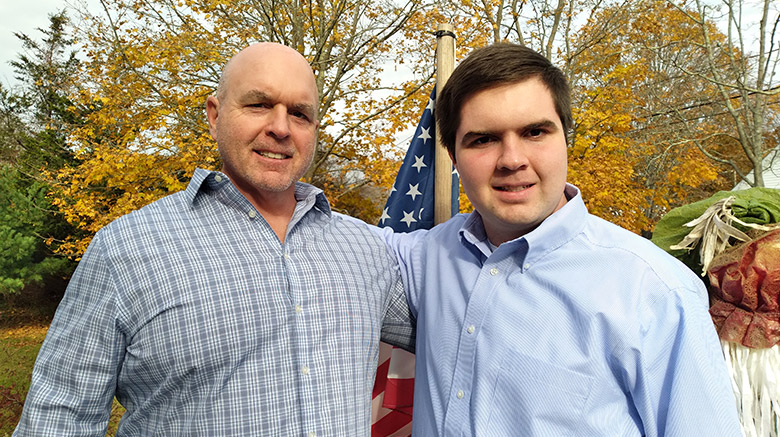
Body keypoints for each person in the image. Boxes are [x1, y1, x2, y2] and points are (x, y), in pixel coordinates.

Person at [14, 43, 413, 436]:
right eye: (258, 104)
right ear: (214, 114)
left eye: (300, 113)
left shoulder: (365, 247)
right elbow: (59, 419)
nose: (280, 127)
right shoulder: (125, 249)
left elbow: (455, 322)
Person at [380, 43, 742, 435]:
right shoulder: (427, 257)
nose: (512, 159)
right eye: (483, 140)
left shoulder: (655, 292)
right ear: (452, 154)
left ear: (565, 138)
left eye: (535, 132)